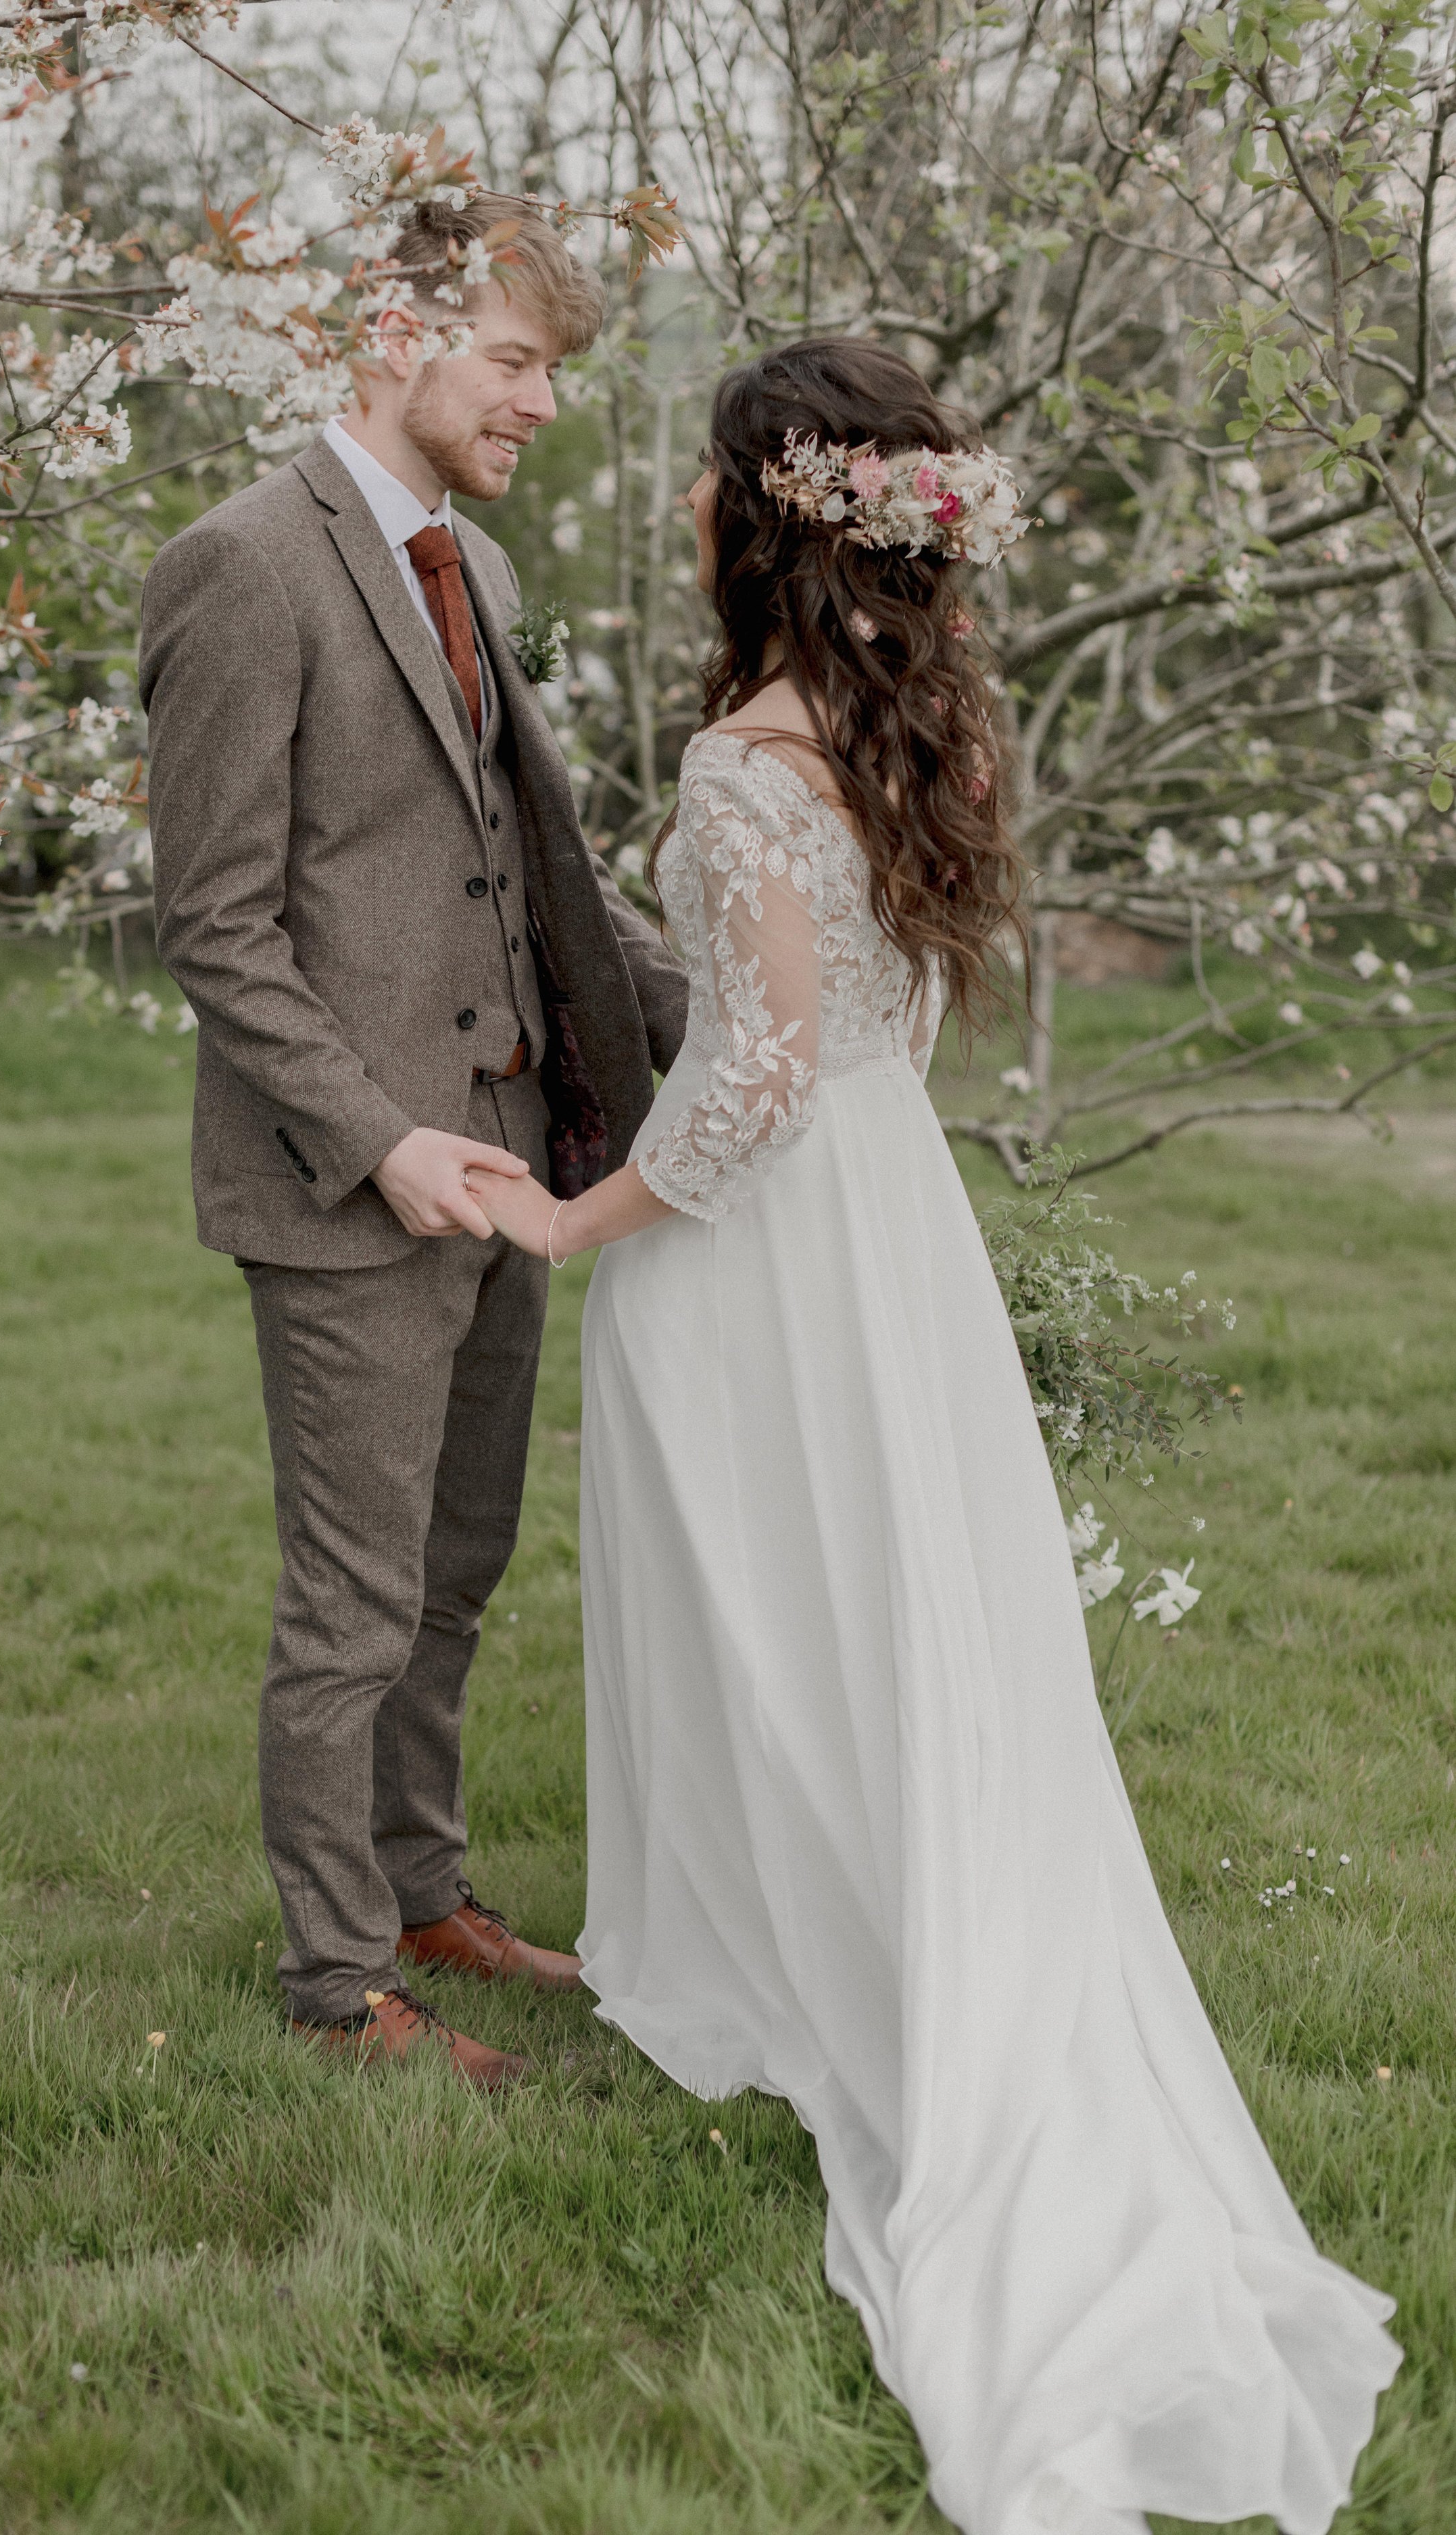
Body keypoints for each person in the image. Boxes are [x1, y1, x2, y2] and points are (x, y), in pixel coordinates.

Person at [468, 339, 1400, 2533]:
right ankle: (806, 1929)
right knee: (871, 1605)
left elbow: (760, 1072)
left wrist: (571, 1216)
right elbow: (834, 1046)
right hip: (889, 1229)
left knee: (781, 1605)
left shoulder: (736, 768)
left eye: (704, 485)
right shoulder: (903, 723)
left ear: (750, 516)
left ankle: (786, 1958)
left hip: (770, 1243)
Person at [139, 195, 687, 2092]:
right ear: (393, 329)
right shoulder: (240, 567)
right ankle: (329, 1982)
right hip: (352, 1180)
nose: (539, 402)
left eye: (552, 370)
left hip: (512, 1156)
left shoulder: (487, 573)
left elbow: (534, 876)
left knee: (458, 1561)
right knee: (353, 1597)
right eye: (515, 359)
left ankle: (424, 1889)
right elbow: (215, 923)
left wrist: (770, 1038)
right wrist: (379, 1143)